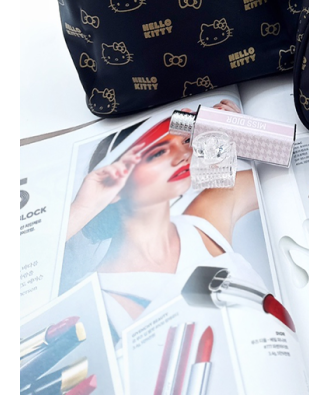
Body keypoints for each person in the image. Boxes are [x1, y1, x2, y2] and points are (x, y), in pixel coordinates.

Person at [66, 99, 265, 340]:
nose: (185, 155)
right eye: (158, 152)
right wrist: (83, 208)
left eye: (185, 142)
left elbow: (292, 172)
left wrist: (242, 135)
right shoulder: (91, 299)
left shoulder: (206, 217)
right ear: (112, 182)